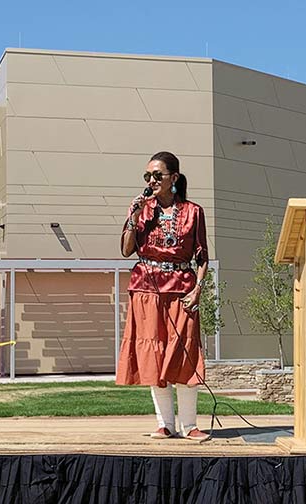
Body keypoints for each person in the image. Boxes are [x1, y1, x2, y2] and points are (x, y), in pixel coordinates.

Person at [116, 151, 210, 442]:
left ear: (174, 178)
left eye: (157, 175)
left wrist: (198, 290)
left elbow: (203, 257)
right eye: (147, 176)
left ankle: (190, 424)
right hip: (147, 287)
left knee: (184, 352)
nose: (151, 181)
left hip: (182, 286)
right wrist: (132, 216)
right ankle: (165, 424)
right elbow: (126, 249)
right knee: (153, 353)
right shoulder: (142, 211)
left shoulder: (193, 211)